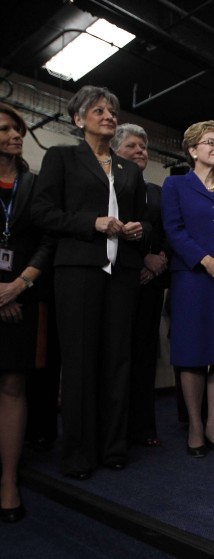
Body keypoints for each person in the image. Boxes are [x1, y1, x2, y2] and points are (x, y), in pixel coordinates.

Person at [33, 86, 147, 479]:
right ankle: (78, 454)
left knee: (118, 361)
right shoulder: (61, 157)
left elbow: (145, 219)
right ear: (78, 119)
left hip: (122, 273)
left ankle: (113, 447)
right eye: (98, 110)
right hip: (77, 269)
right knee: (80, 362)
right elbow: (43, 212)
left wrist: (137, 229)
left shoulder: (129, 169)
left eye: (112, 110)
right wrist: (91, 222)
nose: (108, 115)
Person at [161, 120, 214, 458]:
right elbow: (174, 229)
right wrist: (206, 260)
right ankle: (195, 426)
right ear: (192, 150)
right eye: (210, 142)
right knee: (192, 355)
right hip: (192, 280)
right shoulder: (174, 186)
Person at [0, 103, 54, 522]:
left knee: (13, 386)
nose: (15, 134)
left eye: (16, 128)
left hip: (24, 292)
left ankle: (9, 480)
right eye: (4, 129)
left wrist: (20, 284)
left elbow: (47, 240)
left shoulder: (34, 184)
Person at [112, 123, 169, 448]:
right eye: (132, 145)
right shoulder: (109, 186)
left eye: (144, 147)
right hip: (119, 280)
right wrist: (141, 261)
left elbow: (166, 230)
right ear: (116, 151)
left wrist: (159, 258)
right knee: (119, 356)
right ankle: (117, 429)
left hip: (151, 284)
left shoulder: (155, 191)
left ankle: (144, 426)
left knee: (146, 355)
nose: (140, 151)